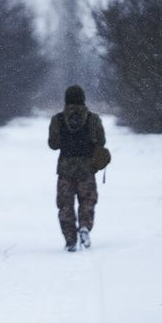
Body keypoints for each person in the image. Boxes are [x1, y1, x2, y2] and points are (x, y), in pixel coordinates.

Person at [48, 85, 106, 252]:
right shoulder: (93, 118)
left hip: (65, 169)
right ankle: (85, 227)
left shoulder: (57, 119)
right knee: (88, 201)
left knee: (65, 205)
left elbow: (53, 144)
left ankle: (70, 239)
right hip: (87, 168)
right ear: (83, 98)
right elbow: (101, 142)